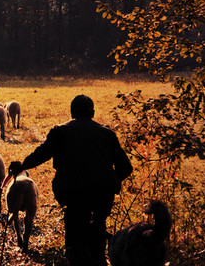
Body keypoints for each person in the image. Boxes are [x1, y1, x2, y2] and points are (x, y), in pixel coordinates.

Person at [8, 95, 132, 266]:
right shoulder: (108, 134)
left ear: (72, 112)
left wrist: (22, 165)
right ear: (93, 112)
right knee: (98, 230)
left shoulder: (60, 132)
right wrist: (110, 181)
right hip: (101, 196)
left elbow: (42, 154)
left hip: (74, 194)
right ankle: (98, 257)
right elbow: (126, 168)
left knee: (75, 240)